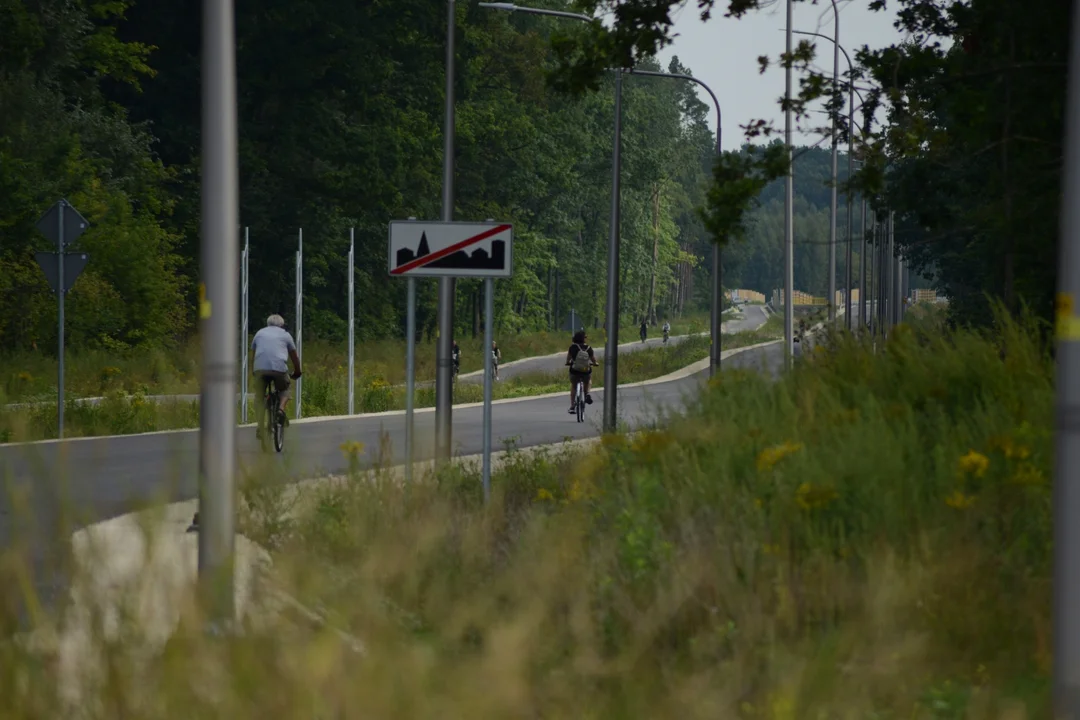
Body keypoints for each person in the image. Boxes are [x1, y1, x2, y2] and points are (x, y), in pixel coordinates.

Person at [250, 314, 302, 438]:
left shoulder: (259, 333)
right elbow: (294, 356)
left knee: (259, 397)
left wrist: (254, 371)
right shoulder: (285, 335)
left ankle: (260, 426)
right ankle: (280, 410)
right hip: (278, 369)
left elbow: (254, 354)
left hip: (260, 370)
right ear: (282, 324)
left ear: (268, 324)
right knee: (284, 388)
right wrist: (297, 371)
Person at [565, 329, 598, 413]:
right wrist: (595, 363)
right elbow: (593, 359)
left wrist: (568, 362)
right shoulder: (589, 348)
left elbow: (568, 358)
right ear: (583, 339)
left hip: (574, 371)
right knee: (588, 381)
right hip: (585, 371)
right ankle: (587, 394)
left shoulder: (572, 347)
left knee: (573, 385)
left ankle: (572, 406)